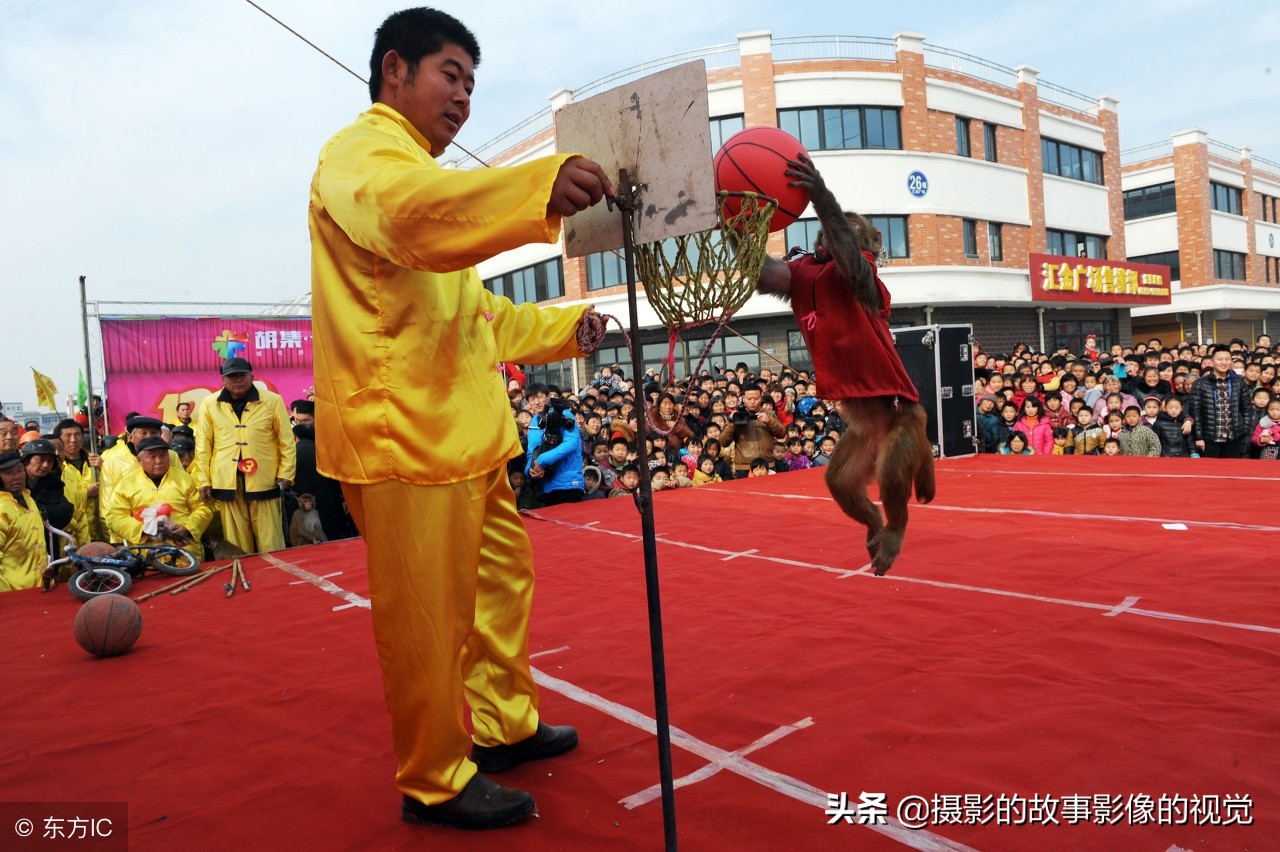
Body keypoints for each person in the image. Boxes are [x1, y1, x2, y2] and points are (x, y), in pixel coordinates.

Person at [308, 7, 613, 831]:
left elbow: (483, 320)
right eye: (451, 75)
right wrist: (533, 186)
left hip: (472, 441)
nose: (464, 98)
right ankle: (435, 778)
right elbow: (410, 217)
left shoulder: (431, 189)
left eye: (472, 84)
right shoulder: (362, 157)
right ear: (394, 71)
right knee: (427, 623)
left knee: (501, 592)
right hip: (401, 439)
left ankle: (504, 726)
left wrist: (564, 327)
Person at [193, 357, 295, 554]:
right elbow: (203, 444)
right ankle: (243, 577)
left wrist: (286, 473)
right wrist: (203, 479)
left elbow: (287, 441)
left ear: (252, 376)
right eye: (231, 376)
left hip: (265, 478)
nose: (237, 380)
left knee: (270, 538)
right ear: (223, 379)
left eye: (242, 375)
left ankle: (276, 576)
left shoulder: (272, 401)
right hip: (226, 479)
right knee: (236, 541)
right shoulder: (210, 404)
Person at [104, 436, 212, 559]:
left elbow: (204, 507)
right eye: (152, 457)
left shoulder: (185, 480)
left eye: (163, 455)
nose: (159, 461)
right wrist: (143, 530)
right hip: (145, 556)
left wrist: (187, 527)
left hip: (186, 554)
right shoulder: (126, 485)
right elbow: (114, 517)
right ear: (139, 460)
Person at [1187, 345, 1252, 458]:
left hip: (1234, 438)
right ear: (1212, 361)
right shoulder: (1201, 383)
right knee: (1210, 472)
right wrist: (1199, 437)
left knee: (1231, 472)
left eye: (1227, 359)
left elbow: (1246, 408)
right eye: (1220, 359)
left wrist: (1244, 431)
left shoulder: (1239, 382)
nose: (1224, 362)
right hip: (1210, 439)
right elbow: (1195, 412)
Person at [0, 451, 46, 592]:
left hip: (39, 586)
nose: (17, 477)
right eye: (9, 473)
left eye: (20, 471)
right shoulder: (2, 508)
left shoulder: (27, 498)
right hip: (13, 592)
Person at [718, 386, 786, 478]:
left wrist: (769, 421)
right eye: (749, 399)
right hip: (744, 467)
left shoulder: (769, 414)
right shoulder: (736, 415)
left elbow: (782, 434)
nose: (752, 402)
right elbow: (723, 442)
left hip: (767, 465)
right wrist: (732, 425)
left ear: (761, 398)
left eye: (756, 398)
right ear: (742, 398)